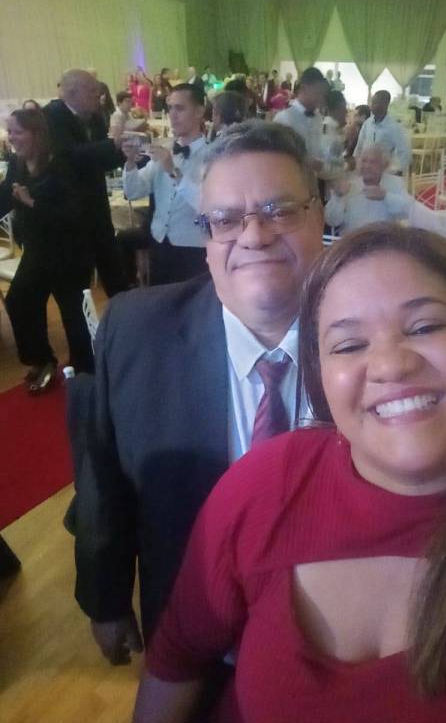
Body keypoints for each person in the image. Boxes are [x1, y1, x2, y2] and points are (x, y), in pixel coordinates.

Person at [135, 223, 446, 723]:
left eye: (425, 327)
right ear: (320, 376)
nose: (390, 365)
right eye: (348, 345)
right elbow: (178, 656)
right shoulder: (268, 482)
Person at [73, 121, 325, 664]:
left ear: (319, 216)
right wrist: (105, 600)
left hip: (334, 649)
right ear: (207, 239)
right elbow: (104, 480)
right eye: (226, 220)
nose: (253, 237)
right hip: (191, 644)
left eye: (279, 211)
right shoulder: (137, 332)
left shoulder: (371, 337)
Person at [0, 109, 94, 390]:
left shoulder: (61, 165)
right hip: (37, 251)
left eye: (17, 132)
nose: (11, 137)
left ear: (36, 134)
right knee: (19, 300)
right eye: (10, 131)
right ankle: (41, 359)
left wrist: (33, 203)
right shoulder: (17, 164)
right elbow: (4, 198)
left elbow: (75, 215)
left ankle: (85, 370)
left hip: (69, 253)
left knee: (73, 315)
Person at [43, 68, 127, 296]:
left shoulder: (95, 117)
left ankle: (123, 316)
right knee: (78, 286)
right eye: (91, 90)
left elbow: (100, 160)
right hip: (71, 216)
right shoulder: (51, 115)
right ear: (72, 92)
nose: (98, 95)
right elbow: (67, 156)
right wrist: (112, 145)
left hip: (98, 210)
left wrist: (125, 152)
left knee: (116, 277)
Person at [121, 84, 208, 285]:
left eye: (180, 108)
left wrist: (172, 171)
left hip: (193, 249)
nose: (172, 115)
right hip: (159, 244)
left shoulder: (213, 156)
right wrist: (131, 162)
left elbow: (206, 206)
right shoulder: (165, 151)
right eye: (170, 108)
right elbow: (133, 192)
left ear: (199, 112)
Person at [326, 145, 410, 231]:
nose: (367, 166)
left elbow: (407, 212)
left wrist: (385, 196)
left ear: (384, 166)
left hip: (383, 237)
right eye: (363, 161)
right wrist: (338, 198)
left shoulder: (395, 183)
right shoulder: (349, 182)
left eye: (373, 162)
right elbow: (332, 221)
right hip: (353, 237)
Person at [274, 66, 327, 174]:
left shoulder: (318, 118)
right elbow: (277, 157)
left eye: (322, 94)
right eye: (317, 93)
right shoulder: (283, 118)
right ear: (303, 88)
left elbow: (318, 150)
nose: (321, 98)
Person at [353, 90, 411, 175]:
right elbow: (359, 146)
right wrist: (357, 164)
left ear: (385, 104)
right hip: (365, 169)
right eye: (372, 102)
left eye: (375, 103)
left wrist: (395, 171)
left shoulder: (394, 127)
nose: (371, 105)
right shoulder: (367, 123)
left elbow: (404, 152)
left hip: (384, 172)